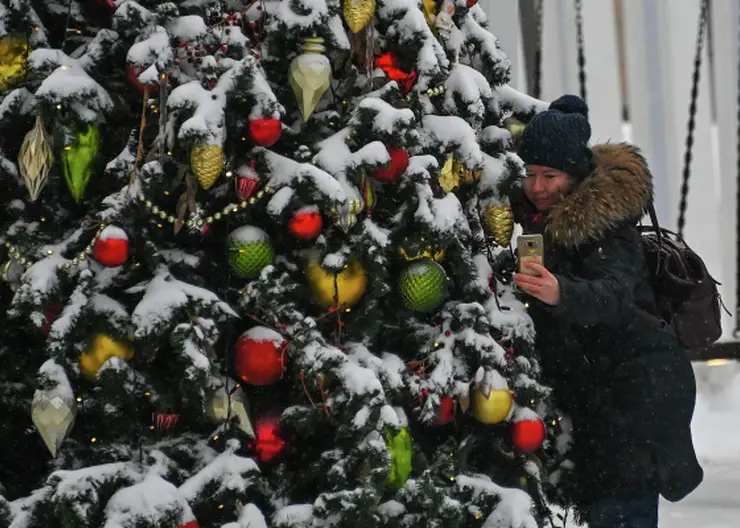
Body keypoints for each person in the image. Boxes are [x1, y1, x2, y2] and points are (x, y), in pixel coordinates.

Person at [509, 94, 703, 528]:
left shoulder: (605, 230)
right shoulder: (537, 222)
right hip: (605, 402)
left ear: (574, 177)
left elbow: (615, 294)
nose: (537, 187)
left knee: (620, 509)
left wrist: (561, 293)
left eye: (550, 175)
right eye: (529, 174)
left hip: (634, 401)